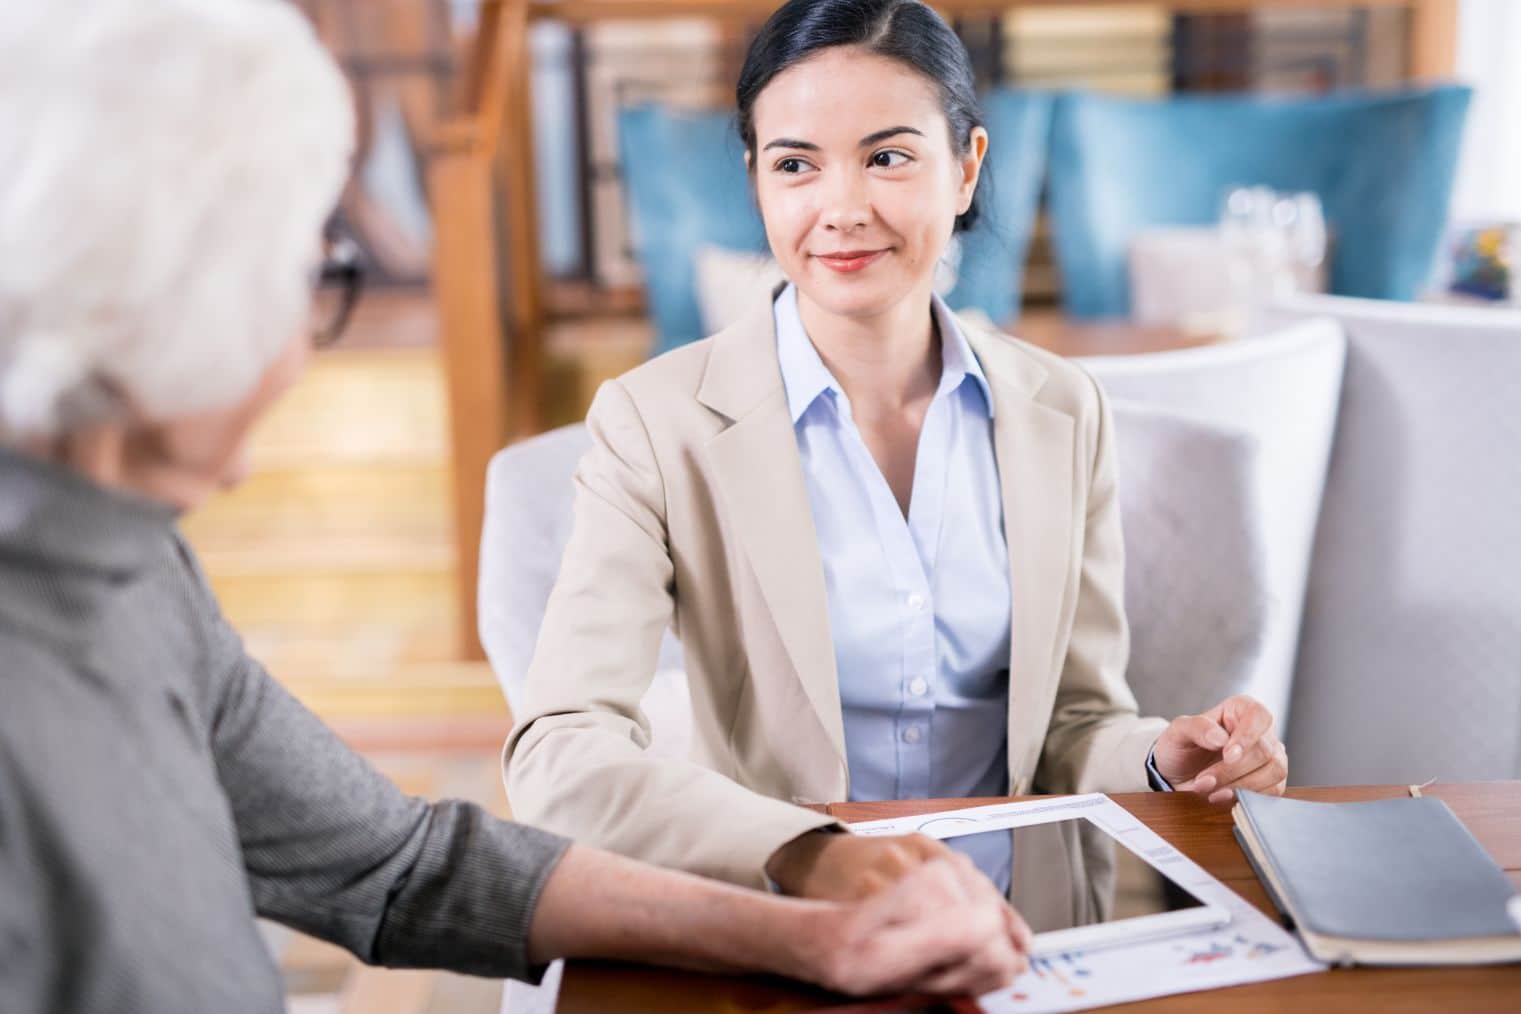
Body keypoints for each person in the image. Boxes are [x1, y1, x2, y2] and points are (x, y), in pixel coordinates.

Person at [0, 1, 1032, 1010]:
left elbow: (401, 865)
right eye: (307, 280)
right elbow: (555, 755)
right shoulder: (657, 417)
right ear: (150, 305)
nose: (298, 351)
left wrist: (817, 941)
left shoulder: (138, 568)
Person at [503, 0, 1289, 922]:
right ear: (757, 181)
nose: (842, 209)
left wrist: (1164, 759)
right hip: (796, 928)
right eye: (796, 164)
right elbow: (558, 749)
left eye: (887, 157)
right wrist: (805, 855)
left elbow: (1073, 724)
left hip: (1026, 934)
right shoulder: (654, 423)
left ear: (965, 168)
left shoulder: (1060, 410)